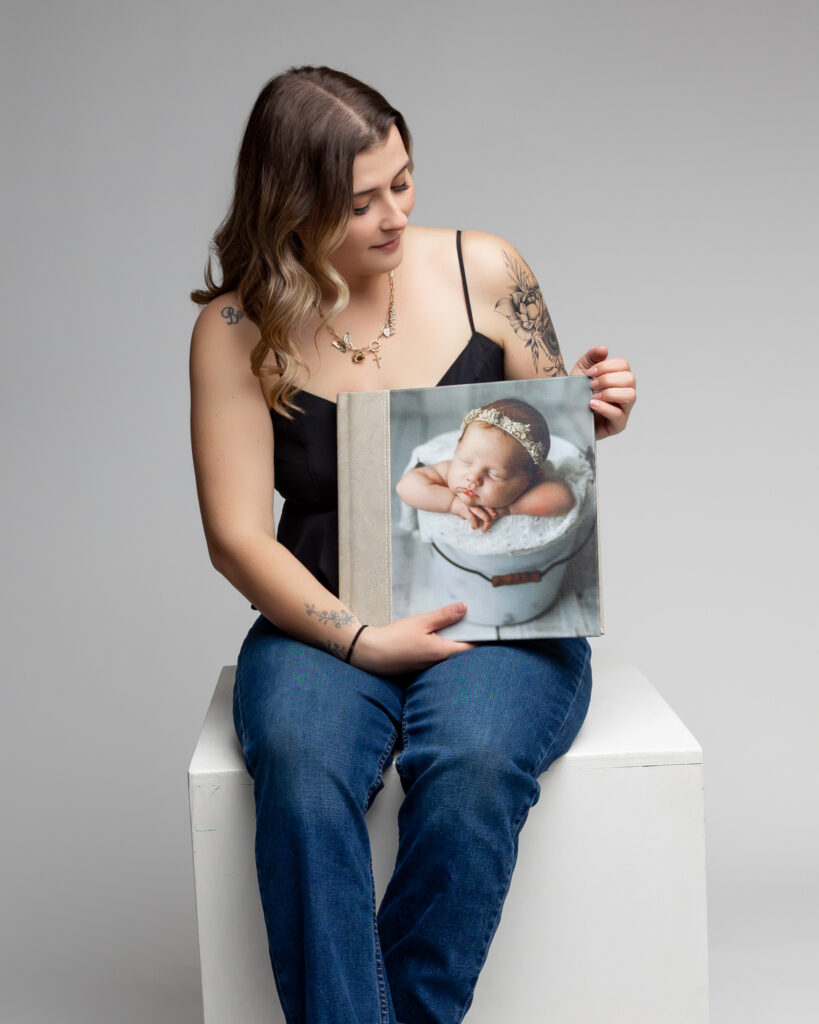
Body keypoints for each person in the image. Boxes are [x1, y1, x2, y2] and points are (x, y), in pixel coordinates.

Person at [189, 65, 636, 1024]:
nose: (395, 214)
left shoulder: (489, 268)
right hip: (319, 616)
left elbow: (552, 431)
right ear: (292, 210)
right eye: (359, 202)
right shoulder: (231, 329)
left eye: (403, 180)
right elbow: (232, 536)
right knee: (304, 778)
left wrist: (597, 413)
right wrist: (357, 638)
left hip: (498, 616)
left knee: (473, 768)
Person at [395, 397, 574, 533]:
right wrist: (452, 504)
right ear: (456, 450)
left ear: (530, 478)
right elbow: (406, 486)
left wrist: (509, 509)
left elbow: (564, 499)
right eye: (465, 461)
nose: (473, 477)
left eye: (495, 475)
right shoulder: (448, 470)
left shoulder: (529, 485)